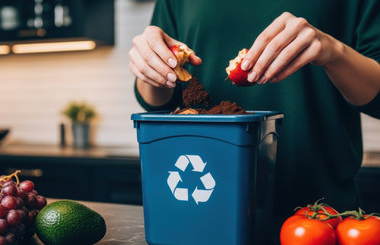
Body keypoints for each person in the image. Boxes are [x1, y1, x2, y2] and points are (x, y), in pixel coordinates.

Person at [129, 0, 380, 243]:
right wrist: (149, 67)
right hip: (203, 213)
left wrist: (333, 51)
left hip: (319, 221)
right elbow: (157, 101)